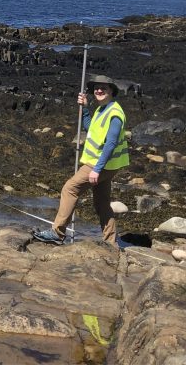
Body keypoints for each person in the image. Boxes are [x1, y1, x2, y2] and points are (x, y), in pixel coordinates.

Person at [32, 74, 129, 246]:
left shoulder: (115, 113)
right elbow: (90, 128)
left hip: (101, 164)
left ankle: (57, 233)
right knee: (102, 203)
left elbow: (111, 143)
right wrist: (84, 109)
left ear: (112, 91)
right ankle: (111, 242)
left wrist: (97, 169)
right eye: (96, 88)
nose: (98, 90)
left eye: (103, 88)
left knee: (70, 189)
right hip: (107, 165)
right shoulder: (102, 109)